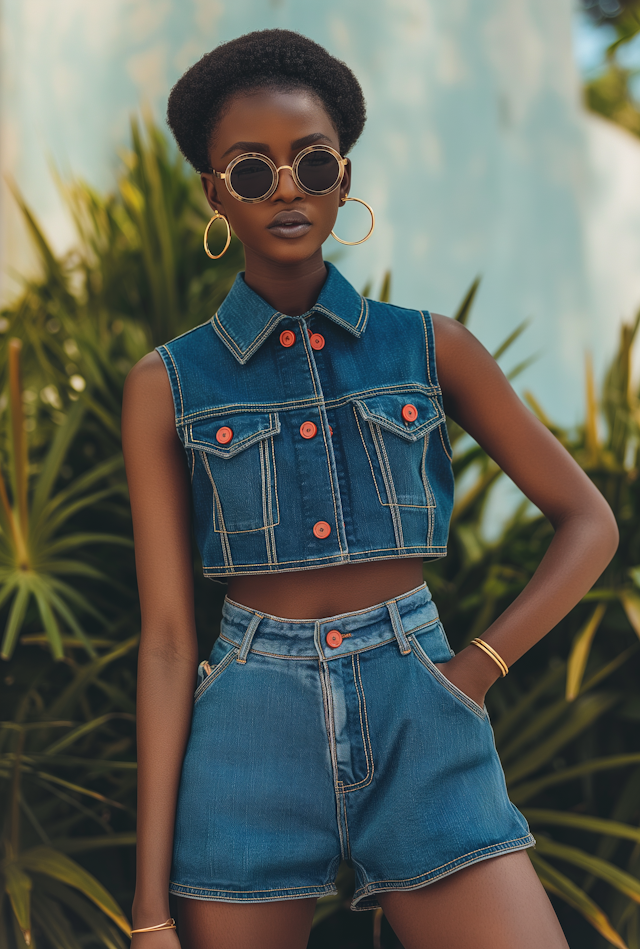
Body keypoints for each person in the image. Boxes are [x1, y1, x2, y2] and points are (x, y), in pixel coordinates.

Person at [121, 29, 618, 949]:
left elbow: (589, 519)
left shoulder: (432, 348)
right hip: (247, 730)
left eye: (312, 162)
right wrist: (148, 908)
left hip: (420, 703)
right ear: (214, 193)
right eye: (252, 169)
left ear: (345, 178)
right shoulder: (169, 383)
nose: (289, 189)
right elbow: (164, 640)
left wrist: (475, 670)